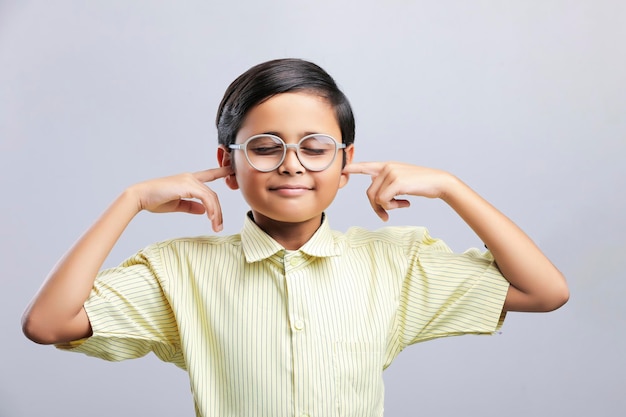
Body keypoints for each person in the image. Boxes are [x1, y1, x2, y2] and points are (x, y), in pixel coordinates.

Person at [22, 58, 569, 417]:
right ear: (229, 166)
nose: (291, 165)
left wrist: (453, 188)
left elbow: (545, 292)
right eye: (264, 146)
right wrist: (131, 200)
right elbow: (48, 324)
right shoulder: (178, 269)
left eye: (314, 146)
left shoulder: (396, 262)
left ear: (345, 161)